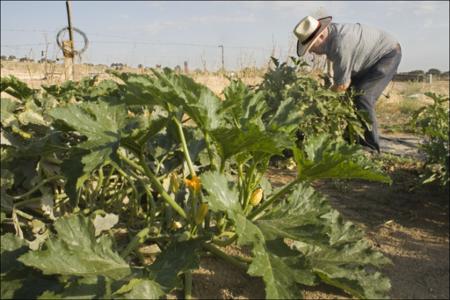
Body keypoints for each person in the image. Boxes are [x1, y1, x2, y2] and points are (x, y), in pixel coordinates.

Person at [293, 15, 402, 152]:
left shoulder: (340, 44)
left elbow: (341, 86)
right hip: (366, 61)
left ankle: (370, 147)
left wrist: (320, 105)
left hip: (387, 54)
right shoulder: (332, 37)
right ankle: (351, 139)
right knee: (351, 96)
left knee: (362, 97)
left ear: (320, 37)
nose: (311, 51)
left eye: (311, 46)